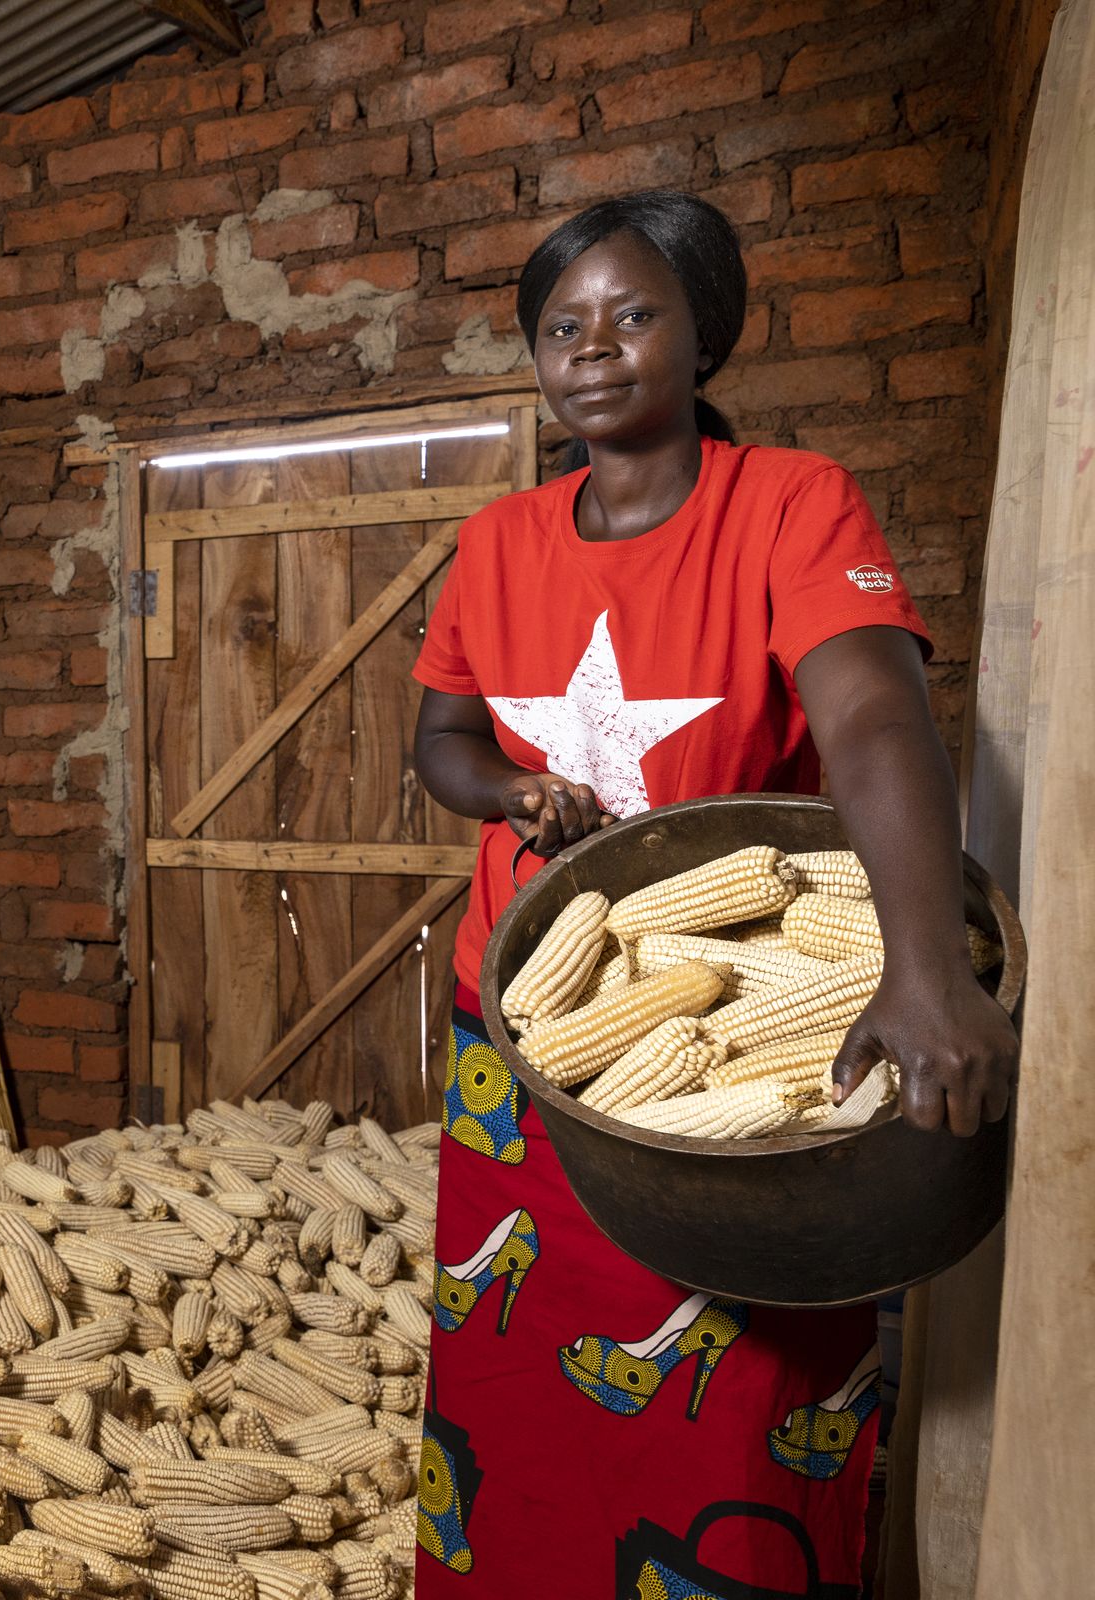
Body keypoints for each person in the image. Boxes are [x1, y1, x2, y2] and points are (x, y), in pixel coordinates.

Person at [407, 190, 1019, 1597]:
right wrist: (508, 795)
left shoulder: (793, 502)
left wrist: (925, 966)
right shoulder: (497, 539)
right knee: (522, 1363)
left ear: (706, 333)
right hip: (530, 1027)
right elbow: (441, 738)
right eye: (561, 326)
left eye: (634, 314)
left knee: (741, 1383)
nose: (595, 348)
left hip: (745, 1011)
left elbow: (872, 714)